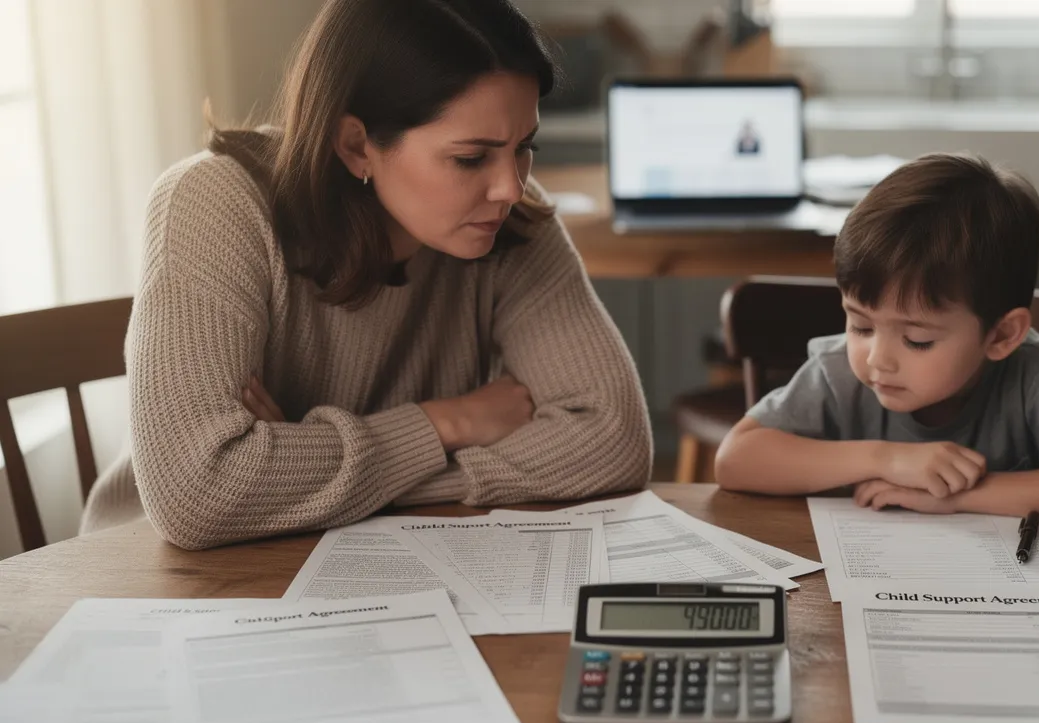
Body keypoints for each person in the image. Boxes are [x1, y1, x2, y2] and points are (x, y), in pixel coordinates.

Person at [81, 0, 652, 549]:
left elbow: (613, 437)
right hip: (161, 577)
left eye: (523, 147)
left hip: (383, 559)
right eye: (471, 158)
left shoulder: (512, 222)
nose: (510, 186)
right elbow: (199, 490)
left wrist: (312, 471)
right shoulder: (216, 204)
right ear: (356, 145)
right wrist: (446, 423)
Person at [715, 153, 1039, 522]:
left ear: (1001, 335)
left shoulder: (1034, 374)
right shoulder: (836, 373)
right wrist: (887, 459)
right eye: (861, 326)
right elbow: (735, 459)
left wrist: (958, 496)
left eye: (917, 340)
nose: (877, 360)